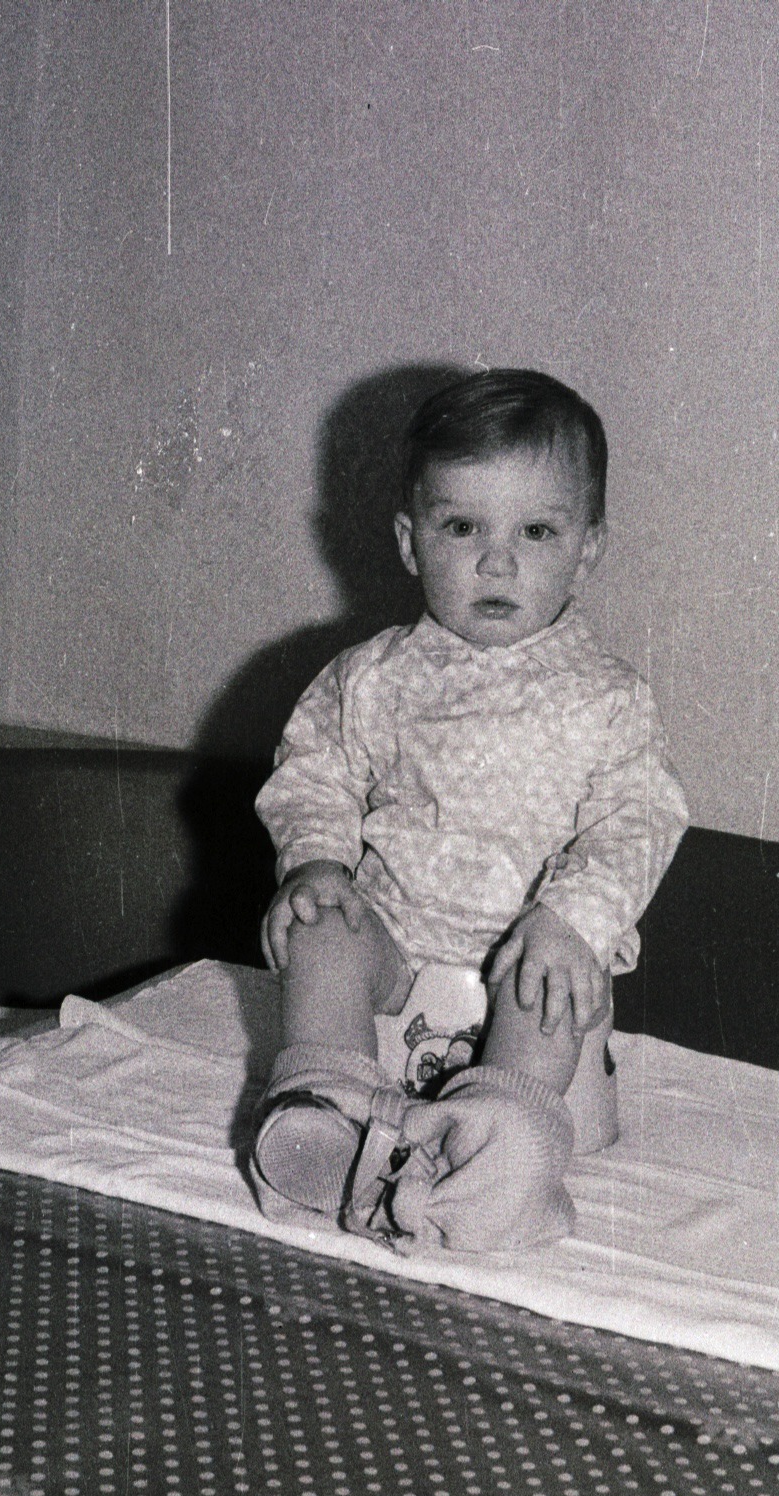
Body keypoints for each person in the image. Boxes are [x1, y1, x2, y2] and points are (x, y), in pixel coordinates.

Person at [249, 368, 688, 1250]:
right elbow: (313, 774)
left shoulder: (606, 697)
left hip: (526, 952)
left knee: (550, 985)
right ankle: (327, 1108)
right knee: (319, 927)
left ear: (588, 547)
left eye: (536, 529)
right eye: (462, 527)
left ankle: (500, 1140)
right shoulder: (372, 677)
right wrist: (317, 862)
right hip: (396, 948)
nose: (498, 559)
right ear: (412, 543)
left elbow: (639, 817)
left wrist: (573, 920)